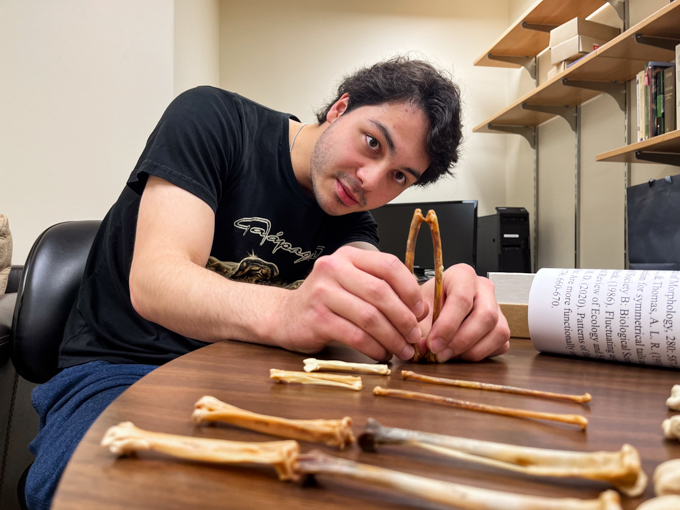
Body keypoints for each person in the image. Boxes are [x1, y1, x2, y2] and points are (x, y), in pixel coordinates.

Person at [23, 56, 510, 510]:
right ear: (340, 108)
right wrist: (287, 312)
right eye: (372, 142)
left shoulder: (350, 218)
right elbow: (156, 282)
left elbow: (376, 286)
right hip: (120, 373)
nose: (370, 181)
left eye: (399, 175)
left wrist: (436, 306)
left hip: (256, 385)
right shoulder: (213, 120)